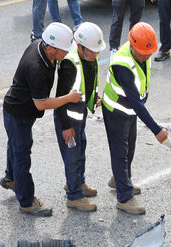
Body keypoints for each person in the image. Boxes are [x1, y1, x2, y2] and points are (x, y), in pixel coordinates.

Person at [0, 22, 83, 217]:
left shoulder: (40, 45)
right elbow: (42, 104)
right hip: (19, 113)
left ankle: (10, 178)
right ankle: (27, 202)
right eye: (63, 51)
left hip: (17, 109)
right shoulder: (36, 67)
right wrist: (69, 98)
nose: (66, 54)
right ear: (52, 48)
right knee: (22, 154)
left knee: (15, 144)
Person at [102, 22, 169, 214]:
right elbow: (136, 102)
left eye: (149, 52)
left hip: (129, 111)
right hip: (116, 111)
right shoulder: (122, 64)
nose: (147, 56)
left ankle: (120, 179)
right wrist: (157, 130)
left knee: (129, 147)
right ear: (132, 46)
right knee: (120, 151)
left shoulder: (142, 50)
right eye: (143, 53)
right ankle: (124, 197)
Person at [53, 22, 106, 212]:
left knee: (80, 150)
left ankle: (78, 182)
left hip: (79, 115)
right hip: (67, 119)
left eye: (97, 51)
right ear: (81, 47)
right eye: (92, 51)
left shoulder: (90, 57)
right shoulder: (70, 63)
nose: (95, 54)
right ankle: (74, 196)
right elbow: (60, 98)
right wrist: (66, 127)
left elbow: (88, 82)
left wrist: (94, 97)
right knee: (72, 155)